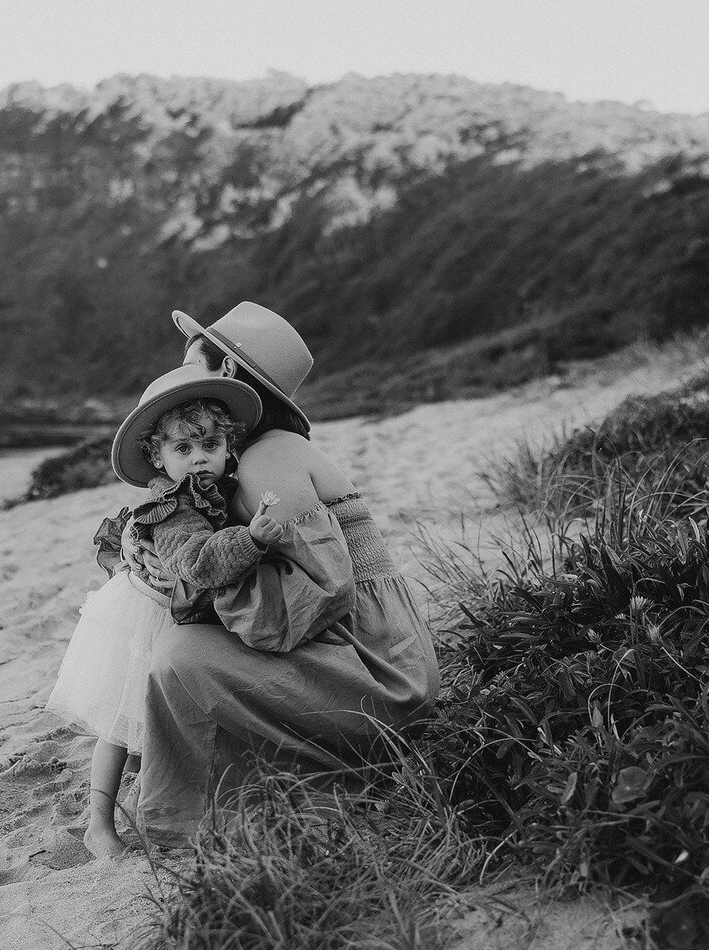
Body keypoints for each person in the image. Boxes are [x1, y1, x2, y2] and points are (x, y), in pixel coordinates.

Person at [129, 300, 442, 847]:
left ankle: (227, 802)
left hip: (377, 667)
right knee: (169, 639)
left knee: (178, 655)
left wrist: (196, 582)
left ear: (225, 371)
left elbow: (320, 593)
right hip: (363, 648)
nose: (179, 373)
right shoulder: (241, 461)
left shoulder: (265, 461)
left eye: (190, 362)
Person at [44, 365, 284, 860]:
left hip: (172, 613)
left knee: (150, 724)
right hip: (146, 615)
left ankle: (157, 804)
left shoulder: (209, 487)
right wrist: (253, 538)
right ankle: (99, 826)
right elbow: (195, 562)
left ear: (228, 446)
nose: (199, 460)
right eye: (183, 449)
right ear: (157, 455)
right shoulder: (173, 503)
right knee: (120, 724)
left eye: (210, 446)